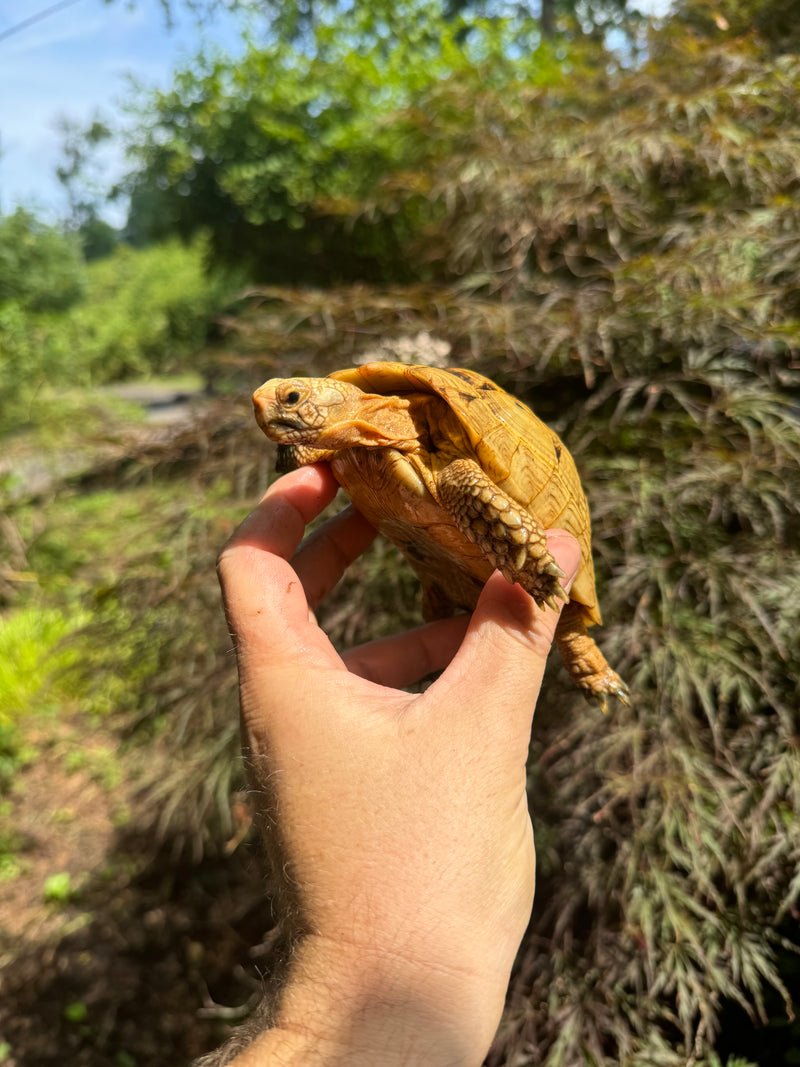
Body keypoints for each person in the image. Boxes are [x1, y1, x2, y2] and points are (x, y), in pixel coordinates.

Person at [214, 462, 581, 1067]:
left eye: (295, 399)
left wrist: (343, 1012)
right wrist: (378, 956)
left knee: (464, 482)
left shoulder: (450, 470)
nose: (270, 412)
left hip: (481, 505)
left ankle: (582, 650)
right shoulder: (366, 468)